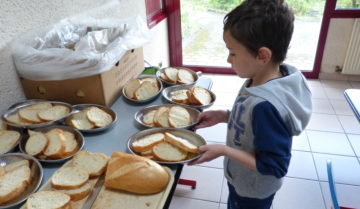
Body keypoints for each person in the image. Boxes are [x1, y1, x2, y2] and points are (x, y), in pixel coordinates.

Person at [189, 0, 312, 208]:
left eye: (233, 53)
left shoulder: (267, 106)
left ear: (262, 55)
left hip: (253, 190)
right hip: (242, 179)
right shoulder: (265, 75)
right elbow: (253, 120)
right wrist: (225, 115)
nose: (229, 59)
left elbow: (274, 165)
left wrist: (223, 150)